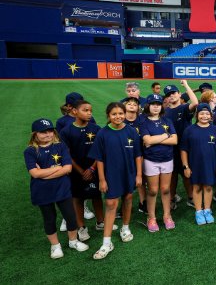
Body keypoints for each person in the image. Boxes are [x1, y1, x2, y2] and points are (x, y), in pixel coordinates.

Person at [26, 118, 89, 259]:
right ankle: (55, 246)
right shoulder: (30, 151)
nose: (47, 134)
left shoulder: (61, 146)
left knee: (71, 217)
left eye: (50, 131)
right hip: (42, 192)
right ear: (35, 134)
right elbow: (34, 173)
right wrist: (56, 168)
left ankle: (73, 241)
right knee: (49, 219)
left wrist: (44, 173)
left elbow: (67, 168)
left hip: (62, 189)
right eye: (43, 132)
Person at [89, 102, 142, 260]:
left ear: (125, 114)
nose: (118, 116)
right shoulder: (103, 133)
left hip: (129, 173)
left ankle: (125, 228)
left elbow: (138, 155)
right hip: (111, 175)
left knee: (128, 198)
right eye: (114, 114)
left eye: (121, 113)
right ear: (108, 116)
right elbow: (99, 159)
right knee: (111, 204)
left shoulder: (131, 131)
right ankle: (106, 243)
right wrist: (102, 179)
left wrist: (139, 175)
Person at [60, 99, 102, 241]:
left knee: (96, 195)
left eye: (90, 110)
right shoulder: (66, 131)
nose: (89, 113)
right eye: (85, 110)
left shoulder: (96, 129)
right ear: (74, 111)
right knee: (78, 198)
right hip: (76, 172)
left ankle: (100, 222)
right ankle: (82, 227)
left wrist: (91, 168)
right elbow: (66, 154)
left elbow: (101, 151)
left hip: (94, 169)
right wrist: (80, 170)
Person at [181, 105, 216, 226]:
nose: (204, 116)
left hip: (210, 164)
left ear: (211, 116)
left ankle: (207, 210)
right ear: (197, 115)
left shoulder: (215, 130)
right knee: (197, 187)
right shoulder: (189, 130)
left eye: (207, 114)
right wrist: (186, 166)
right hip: (194, 165)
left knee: (208, 187)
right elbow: (184, 150)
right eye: (201, 114)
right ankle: (198, 211)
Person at [139, 94, 178, 232]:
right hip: (151, 160)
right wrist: (165, 135)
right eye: (153, 103)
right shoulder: (144, 122)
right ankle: (152, 217)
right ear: (148, 106)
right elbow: (147, 141)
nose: (156, 106)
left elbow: (175, 140)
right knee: (153, 190)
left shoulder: (167, 120)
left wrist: (155, 139)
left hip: (167, 159)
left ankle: (167, 216)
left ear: (162, 106)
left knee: (166, 189)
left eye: (158, 103)